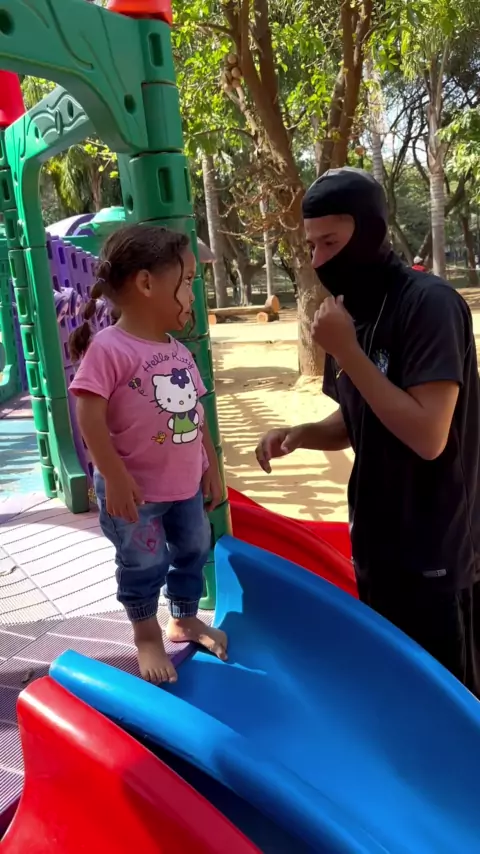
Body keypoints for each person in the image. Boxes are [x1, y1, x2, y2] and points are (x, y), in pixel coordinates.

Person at [256, 167, 480, 697]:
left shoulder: (428, 305)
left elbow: (428, 434)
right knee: (397, 691)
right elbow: (362, 416)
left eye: (331, 242)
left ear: (371, 231)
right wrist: (303, 433)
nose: (319, 260)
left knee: (449, 700)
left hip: (436, 549)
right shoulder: (351, 310)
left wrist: (348, 352)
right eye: (311, 246)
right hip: (378, 543)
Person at [69, 224, 228, 685]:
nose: (192, 294)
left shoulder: (179, 351)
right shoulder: (110, 348)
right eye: (187, 280)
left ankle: (184, 617)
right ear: (145, 283)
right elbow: (89, 415)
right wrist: (114, 476)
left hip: (184, 484)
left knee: (194, 548)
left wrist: (211, 467)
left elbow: (195, 413)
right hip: (135, 492)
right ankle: (146, 633)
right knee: (143, 563)